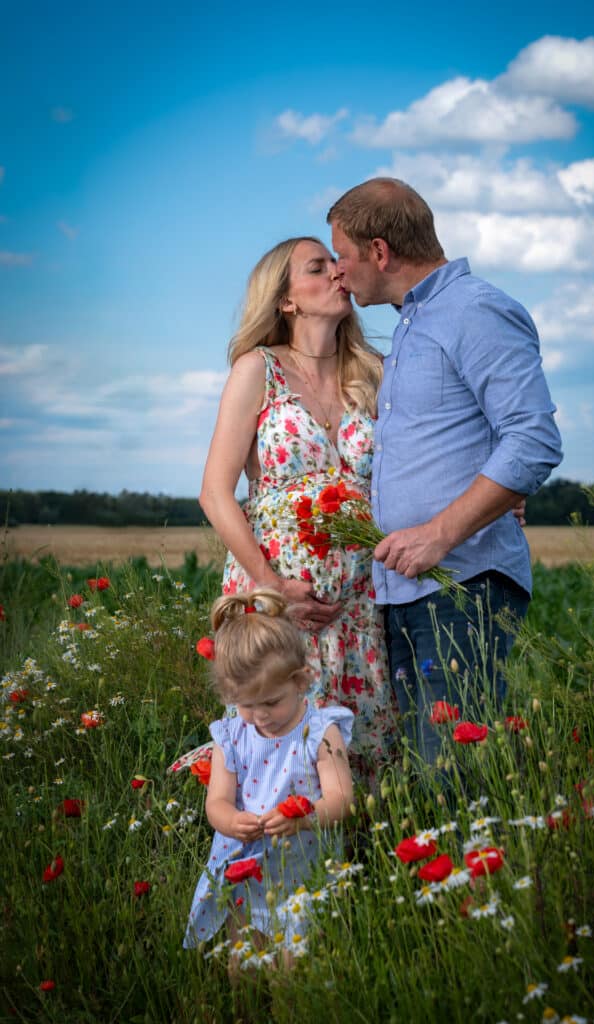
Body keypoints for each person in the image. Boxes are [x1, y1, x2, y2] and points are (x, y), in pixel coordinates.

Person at [327, 178, 563, 765]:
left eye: (344, 255)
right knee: (428, 780)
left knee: (454, 779)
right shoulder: (410, 324)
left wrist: (440, 532)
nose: (338, 270)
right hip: (406, 590)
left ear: (380, 252)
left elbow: (533, 438)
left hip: (461, 587)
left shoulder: (474, 309)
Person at [198, 237, 397, 779]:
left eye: (336, 263)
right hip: (277, 605)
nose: (338, 272)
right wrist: (273, 589)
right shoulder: (257, 369)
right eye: (318, 267)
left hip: (357, 606)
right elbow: (215, 493)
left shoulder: (373, 370)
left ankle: (365, 861)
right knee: (277, 754)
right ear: (286, 300)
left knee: (365, 756)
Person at [184, 588, 354, 958]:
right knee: (242, 959)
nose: (260, 715)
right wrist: (232, 822)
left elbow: (342, 800)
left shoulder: (323, 731)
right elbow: (217, 802)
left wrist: (304, 818)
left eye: (272, 702)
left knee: (294, 969)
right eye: (246, 704)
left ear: (300, 680)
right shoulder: (232, 735)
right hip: (247, 869)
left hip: (304, 872)